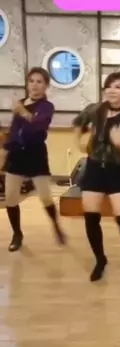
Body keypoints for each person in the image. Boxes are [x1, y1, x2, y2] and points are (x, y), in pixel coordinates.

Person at [72, 72, 120, 282]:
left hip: (118, 170)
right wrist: (79, 141)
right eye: (109, 86)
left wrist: (119, 143)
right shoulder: (96, 110)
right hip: (94, 167)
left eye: (118, 87)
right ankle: (100, 259)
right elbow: (78, 122)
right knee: (91, 216)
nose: (112, 91)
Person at [0, 67, 65, 252]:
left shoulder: (46, 106)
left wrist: (22, 111)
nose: (35, 85)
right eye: (32, 81)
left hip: (36, 154)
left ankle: (56, 225)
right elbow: (14, 131)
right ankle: (17, 234)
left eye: (39, 82)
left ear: (46, 86)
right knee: (11, 197)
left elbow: (39, 125)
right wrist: (5, 151)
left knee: (45, 196)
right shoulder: (21, 104)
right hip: (16, 154)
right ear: (27, 83)